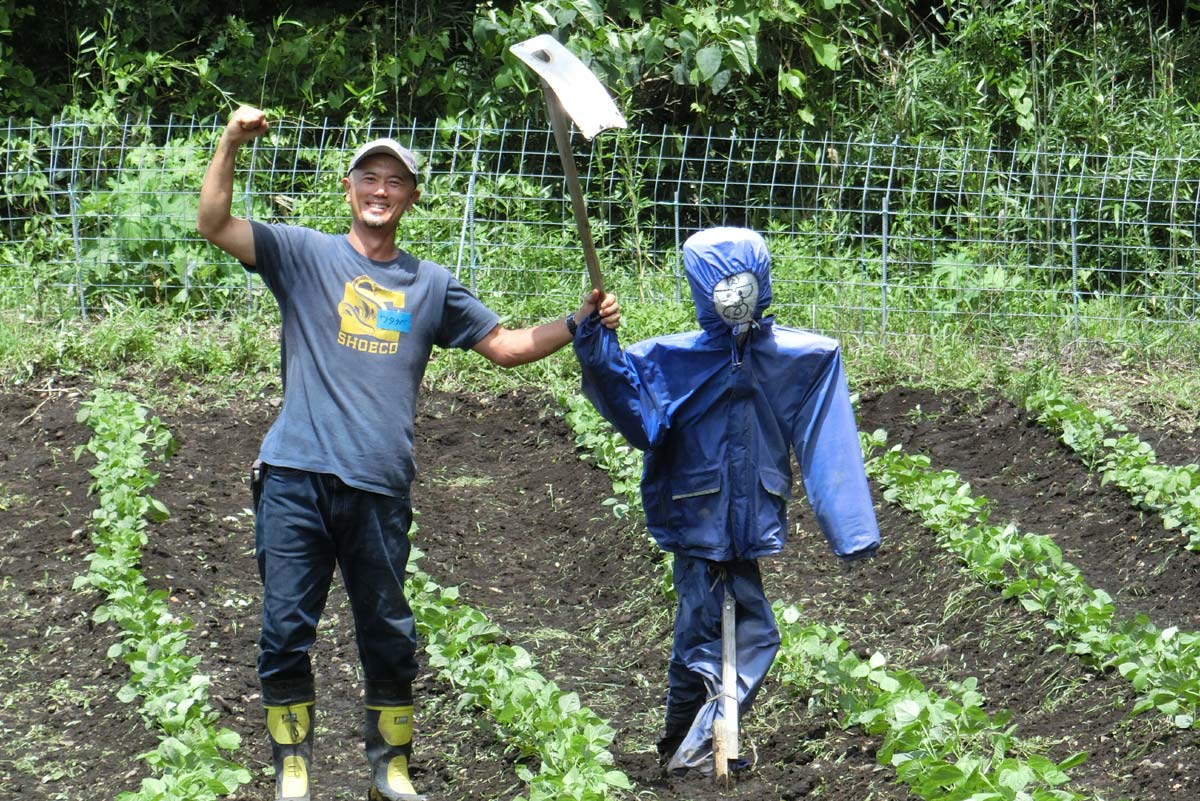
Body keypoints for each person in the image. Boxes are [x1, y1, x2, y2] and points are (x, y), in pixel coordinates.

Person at [196, 104, 620, 801]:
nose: (381, 189)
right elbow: (213, 222)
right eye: (370, 176)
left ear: (412, 197)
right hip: (295, 477)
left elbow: (508, 347)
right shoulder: (303, 255)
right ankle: (291, 767)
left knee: (389, 635)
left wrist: (578, 321)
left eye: (396, 180)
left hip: (378, 487)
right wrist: (230, 142)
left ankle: (389, 770)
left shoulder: (431, 285)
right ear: (349, 188)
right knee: (283, 630)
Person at [572, 226, 879, 777]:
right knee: (743, 633)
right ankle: (701, 751)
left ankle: (684, 747)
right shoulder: (670, 362)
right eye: (721, 282)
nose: (733, 294)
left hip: (751, 515)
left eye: (743, 281)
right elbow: (634, 412)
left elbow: (826, 442)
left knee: (705, 633)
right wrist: (597, 345)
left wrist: (851, 528)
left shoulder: (800, 359)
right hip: (695, 516)